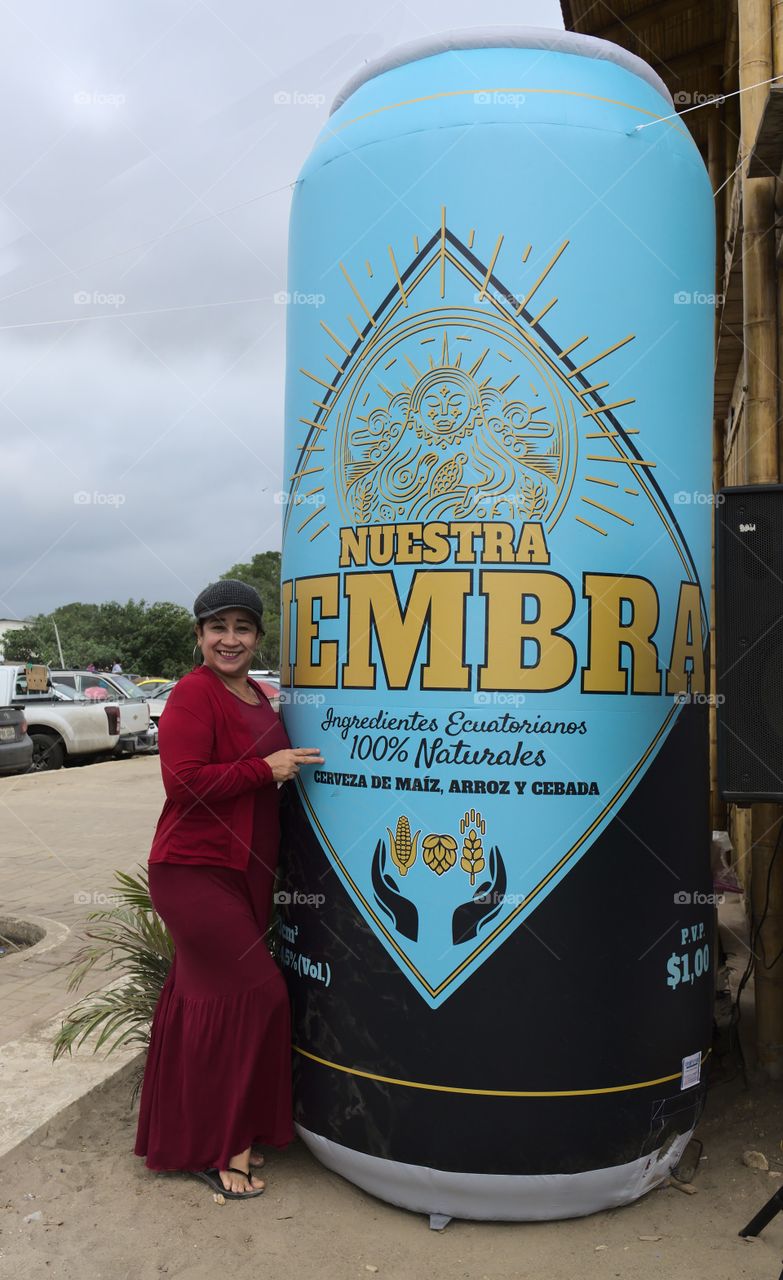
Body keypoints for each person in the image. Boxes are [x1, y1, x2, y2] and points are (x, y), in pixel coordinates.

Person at [134, 579, 324, 1199]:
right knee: (257, 991)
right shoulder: (193, 694)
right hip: (192, 870)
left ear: (258, 638)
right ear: (199, 636)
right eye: (218, 628)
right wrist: (265, 770)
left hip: (244, 871)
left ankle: (190, 1135)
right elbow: (183, 783)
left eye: (242, 628)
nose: (230, 639)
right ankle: (225, 1147)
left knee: (201, 1003)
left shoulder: (260, 698)